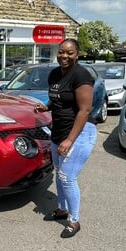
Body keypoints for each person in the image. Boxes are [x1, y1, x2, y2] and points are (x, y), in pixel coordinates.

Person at [34, 38, 97, 239]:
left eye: (70, 53)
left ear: (77, 54)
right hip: (59, 131)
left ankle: (74, 220)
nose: (64, 56)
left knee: (67, 178)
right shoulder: (54, 74)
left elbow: (85, 109)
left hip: (79, 132)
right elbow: (57, 97)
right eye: (61, 52)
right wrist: (46, 106)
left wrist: (69, 140)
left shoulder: (80, 75)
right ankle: (62, 209)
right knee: (59, 171)